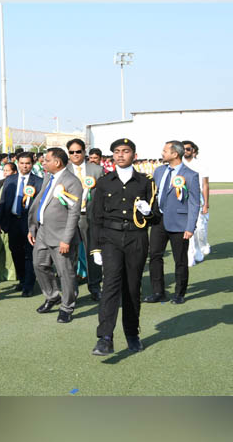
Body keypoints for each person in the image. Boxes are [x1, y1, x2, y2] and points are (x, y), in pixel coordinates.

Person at [89, 138, 160, 356]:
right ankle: (105, 338)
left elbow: (156, 217)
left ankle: (132, 333)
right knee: (110, 285)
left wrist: (148, 212)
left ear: (134, 155)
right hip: (110, 237)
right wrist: (95, 248)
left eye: (125, 151)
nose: (120, 155)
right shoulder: (104, 182)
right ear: (112, 156)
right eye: (116, 152)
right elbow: (95, 217)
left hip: (136, 237)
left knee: (132, 288)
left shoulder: (146, 182)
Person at [27, 148, 83, 323]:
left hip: (61, 235)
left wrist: (66, 239)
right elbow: (40, 203)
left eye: (46, 160)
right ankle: (52, 296)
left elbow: (74, 213)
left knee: (65, 272)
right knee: (39, 264)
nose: (43, 163)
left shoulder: (72, 182)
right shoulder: (48, 178)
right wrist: (33, 227)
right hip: (43, 231)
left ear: (57, 162)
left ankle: (67, 306)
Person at [145, 140, 201, 305]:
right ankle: (158, 292)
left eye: (165, 150)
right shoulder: (159, 171)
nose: (162, 153)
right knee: (155, 256)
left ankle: (179, 293)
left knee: (180, 260)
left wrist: (190, 227)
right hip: (158, 221)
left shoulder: (190, 175)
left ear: (175, 154)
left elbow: (194, 203)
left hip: (180, 223)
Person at [65, 138, 105, 301]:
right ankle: (71, 290)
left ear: (84, 152)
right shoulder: (63, 170)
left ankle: (95, 287)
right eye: (72, 152)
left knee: (92, 253)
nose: (75, 155)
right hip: (68, 219)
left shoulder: (96, 170)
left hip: (90, 218)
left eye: (78, 151)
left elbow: (103, 195)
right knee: (69, 255)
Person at [182, 140, 211, 266]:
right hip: (182, 200)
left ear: (193, 150)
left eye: (188, 149)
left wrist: (206, 203)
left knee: (200, 228)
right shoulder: (179, 164)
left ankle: (202, 245)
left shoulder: (201, 165)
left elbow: (205, 185)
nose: (185, 151)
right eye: (183, 149)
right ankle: (192, 254)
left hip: (197, 199)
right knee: (189, 228)